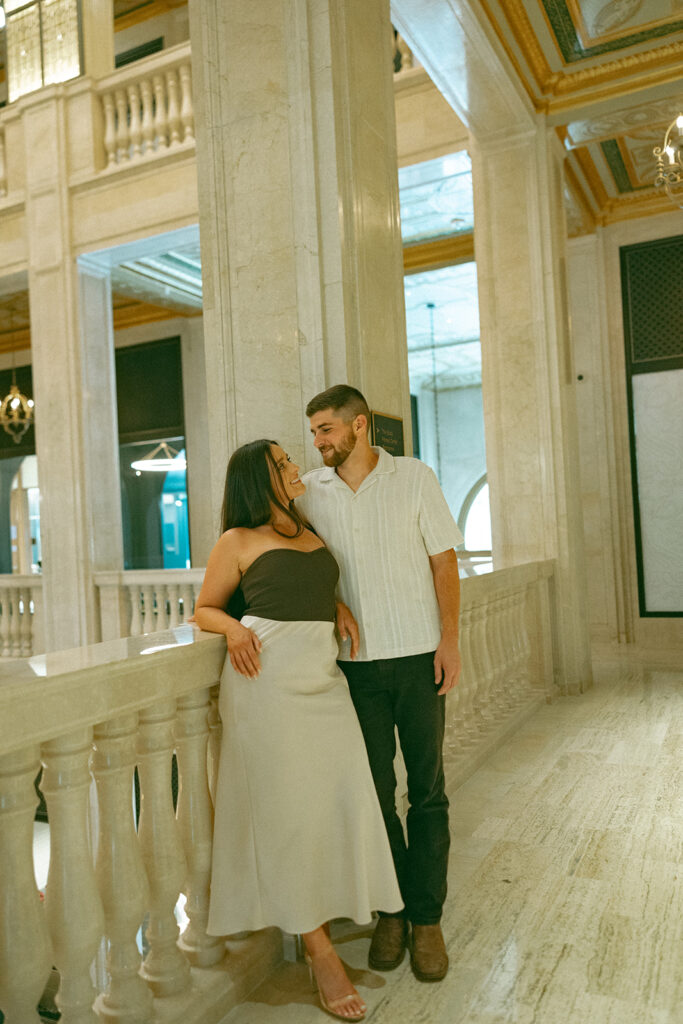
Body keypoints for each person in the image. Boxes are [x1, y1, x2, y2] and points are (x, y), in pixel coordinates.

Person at [194, 438, 403, 1022]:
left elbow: (312, 580)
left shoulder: (305, 528)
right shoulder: (235, 540)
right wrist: (232, 630)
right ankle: (320, 952)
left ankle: (329, 912)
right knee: (286, 815)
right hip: (268, 684)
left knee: (337, 800)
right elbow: (204, 608)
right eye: (282, 464)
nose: (293, 468)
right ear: (257, 482)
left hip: (323, 680)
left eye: (289, 459)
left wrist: (336, 602)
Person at [296, 385, 463, 983]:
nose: (317, 441)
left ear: (358, 425)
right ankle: (391, 911)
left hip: (419, 658)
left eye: (325, 429)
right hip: (353, 669)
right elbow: (297, 558)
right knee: (373, 797)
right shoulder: (308, 492)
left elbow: (444, 559)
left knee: (427, 793)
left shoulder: (415, 476)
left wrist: (450, 639)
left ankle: (427, 920)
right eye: (314, 432)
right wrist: (334, 600)